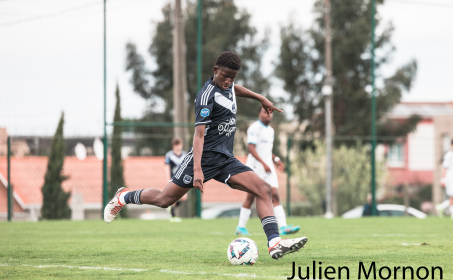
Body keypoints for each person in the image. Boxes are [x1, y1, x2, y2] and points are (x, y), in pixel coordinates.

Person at [104, 51, 307, 260]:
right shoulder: (205, 96)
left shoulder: (228, 87)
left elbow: (234, 90)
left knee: (263, 189)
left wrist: (259, 97)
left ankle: (274, 243)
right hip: (202, 158)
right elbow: (199, 136)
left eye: (232, 77)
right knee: (165, 199)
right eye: (224, 76)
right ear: (215, 70)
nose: (228, 81)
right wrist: (198, 169)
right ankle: (123, 197)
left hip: (225, 159)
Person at [235, 107, 300, 236]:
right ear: (259, 113)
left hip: (268, 167)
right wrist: (263, 163)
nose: (268, 115)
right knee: (251, 196)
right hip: (255, 167)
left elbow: (266, 151)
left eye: (270, 113)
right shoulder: (254, 128)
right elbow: (251, 148)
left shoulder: (270, 130)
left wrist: (276, 158)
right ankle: (240, 227)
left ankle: (283, 226)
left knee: (274, 194)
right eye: (265, 112)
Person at [165, 137, 187, 222]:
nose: (178, 147)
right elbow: (166, 167)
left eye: (179, 145)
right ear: (173, 146)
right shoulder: (169, 155)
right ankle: (173, 216)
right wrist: (168, 178)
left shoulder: (185, 155)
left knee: (184, 197)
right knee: (174, 196)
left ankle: (170, 207)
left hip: (182, 180)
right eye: (176, 145)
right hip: (173, 179)